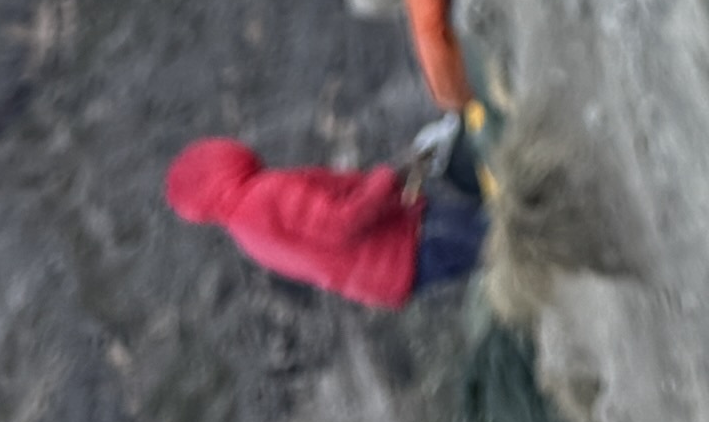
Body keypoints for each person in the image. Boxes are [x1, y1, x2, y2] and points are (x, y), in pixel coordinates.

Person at [166, 131, 483, 307]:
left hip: (396, 272)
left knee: (500, 251)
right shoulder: (260, 198)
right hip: (406, 242)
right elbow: (343, 223)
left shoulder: (244, 232)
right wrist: (397, 170)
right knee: (509, 236)